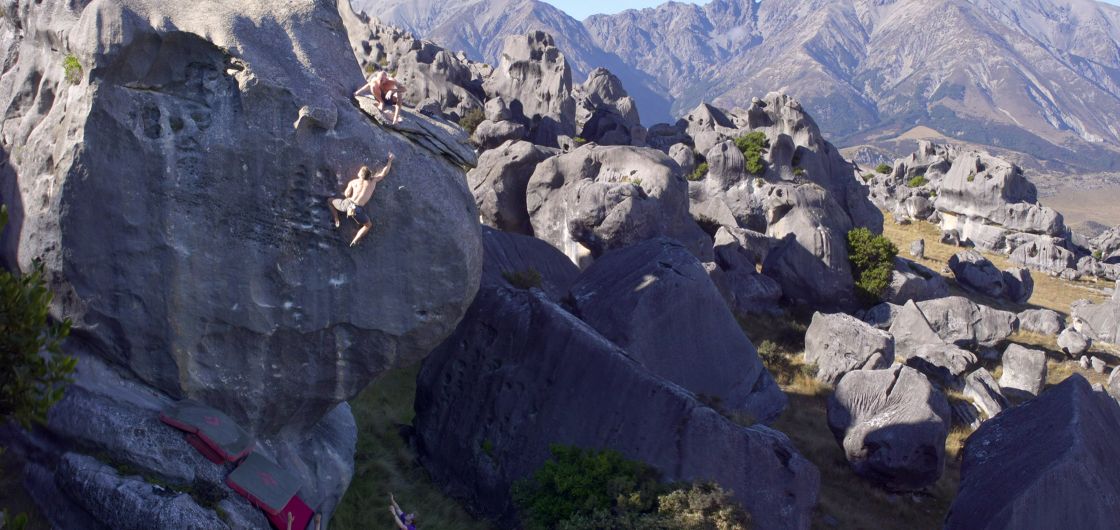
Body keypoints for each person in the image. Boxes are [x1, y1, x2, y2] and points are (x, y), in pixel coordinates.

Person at [327, 153, 394, 247]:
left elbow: (346, 194)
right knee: (368, 225)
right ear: (369, 175)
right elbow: (384, 173)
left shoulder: (354, 182)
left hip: (347, 204)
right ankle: (355, 240)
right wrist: (390, 160)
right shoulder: (373, 181)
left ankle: (336, 218)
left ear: (360, 175)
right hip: (357, 210)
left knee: (330, 201)